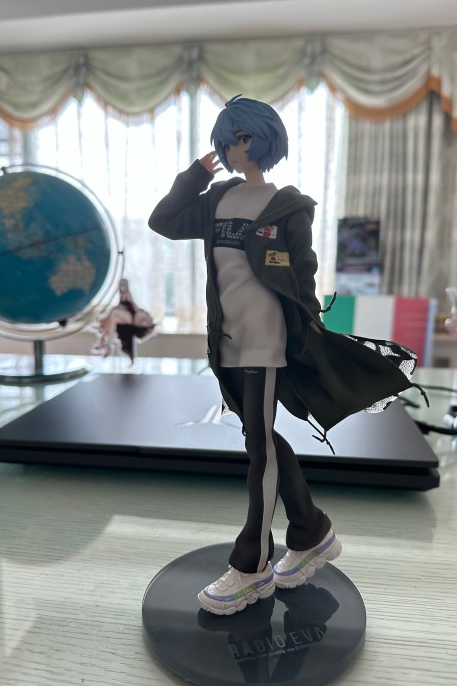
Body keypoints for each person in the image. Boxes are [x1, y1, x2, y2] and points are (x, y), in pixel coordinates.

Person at [149, 95, 417, 616]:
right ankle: (311, 530)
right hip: (226, 341)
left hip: (266, 340)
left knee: (260, 450)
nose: (233, 148)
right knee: (262, 439)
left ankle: (252, 565)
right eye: (227, 139)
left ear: (263, 140)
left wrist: (308, 336)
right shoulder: (216, 199)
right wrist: (195, 174)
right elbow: (164, 220)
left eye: (242, 137)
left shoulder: (288, 206)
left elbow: (303, 277)